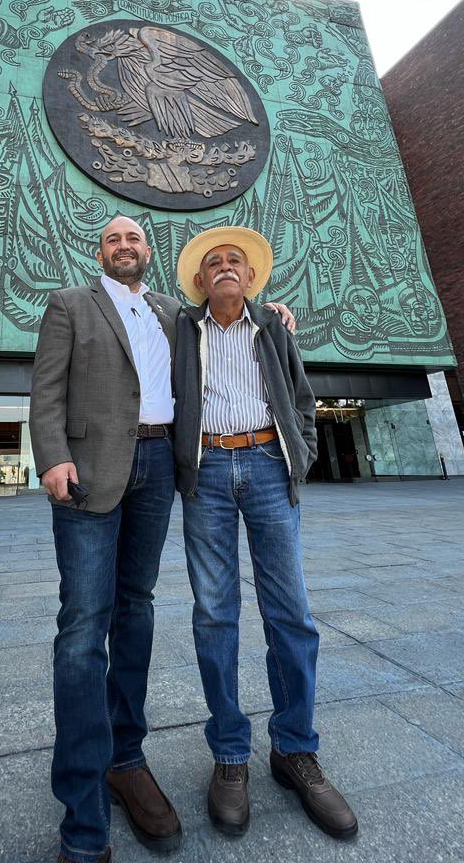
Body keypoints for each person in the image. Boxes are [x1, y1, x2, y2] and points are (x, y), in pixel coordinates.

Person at [29, 216, 295, 863]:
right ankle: (83, 819)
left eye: (135, 240)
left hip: (159, 473)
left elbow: (229, 312)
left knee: (137, 612)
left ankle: (126, 758)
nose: (126, 246)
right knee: (83, 631)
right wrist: (52, 456)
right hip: (90, 474)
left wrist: (275, 311)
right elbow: (46, 390)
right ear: (101, 252)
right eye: (115, 239)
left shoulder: (174, 311)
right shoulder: (69, 304)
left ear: (150, 254)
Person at [172, 225, 358, 841]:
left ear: (252, 278)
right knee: (214, 615)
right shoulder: (181, 328)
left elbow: (302, 399)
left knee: (291, 614)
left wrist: (296, 455)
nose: (226, 267)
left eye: (236, 262)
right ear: (200, 282)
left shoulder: (274, 328)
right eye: (214, 263)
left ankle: (295, 750)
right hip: (205, 471)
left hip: (267, 468)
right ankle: (229, 755)